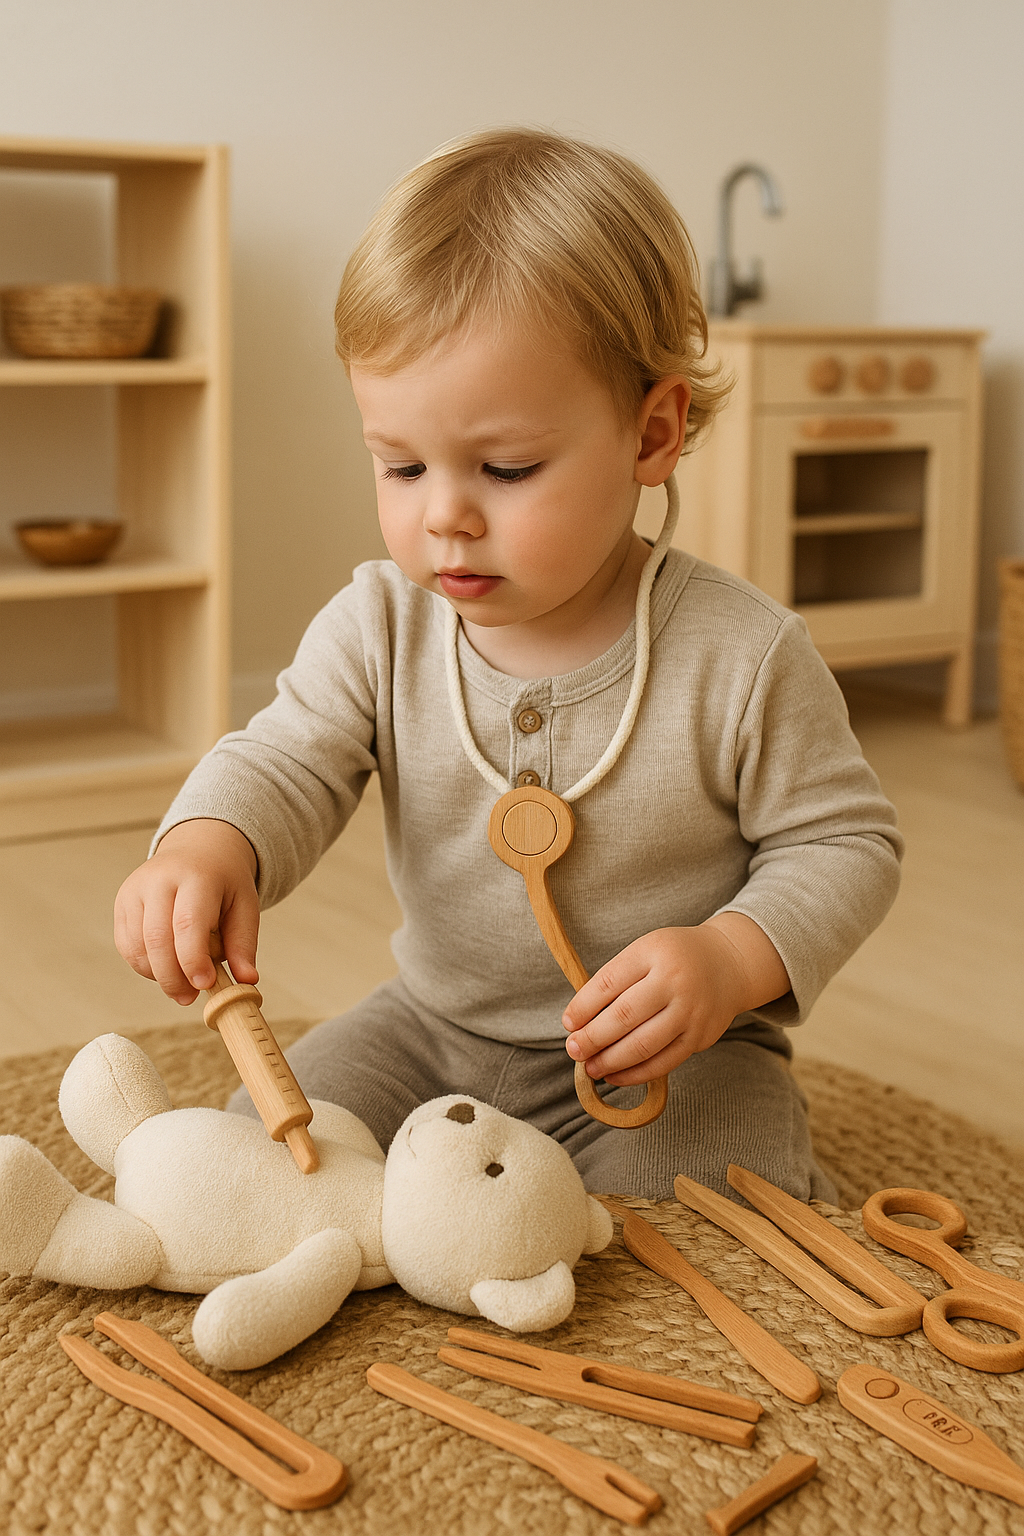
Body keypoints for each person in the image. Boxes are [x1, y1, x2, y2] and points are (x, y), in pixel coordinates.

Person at [114, 128, 902, 1202]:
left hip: (672, 1060)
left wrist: (729, 961)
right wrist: (208, 843)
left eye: (507, 466)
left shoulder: (743, 654)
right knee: (256, 1165)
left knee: (717, 1217)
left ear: (651, 434)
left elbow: (844, 843)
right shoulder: (380, 625)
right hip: (430, 1035)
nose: (444, 515)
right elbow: (289, 757)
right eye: (398, 465)